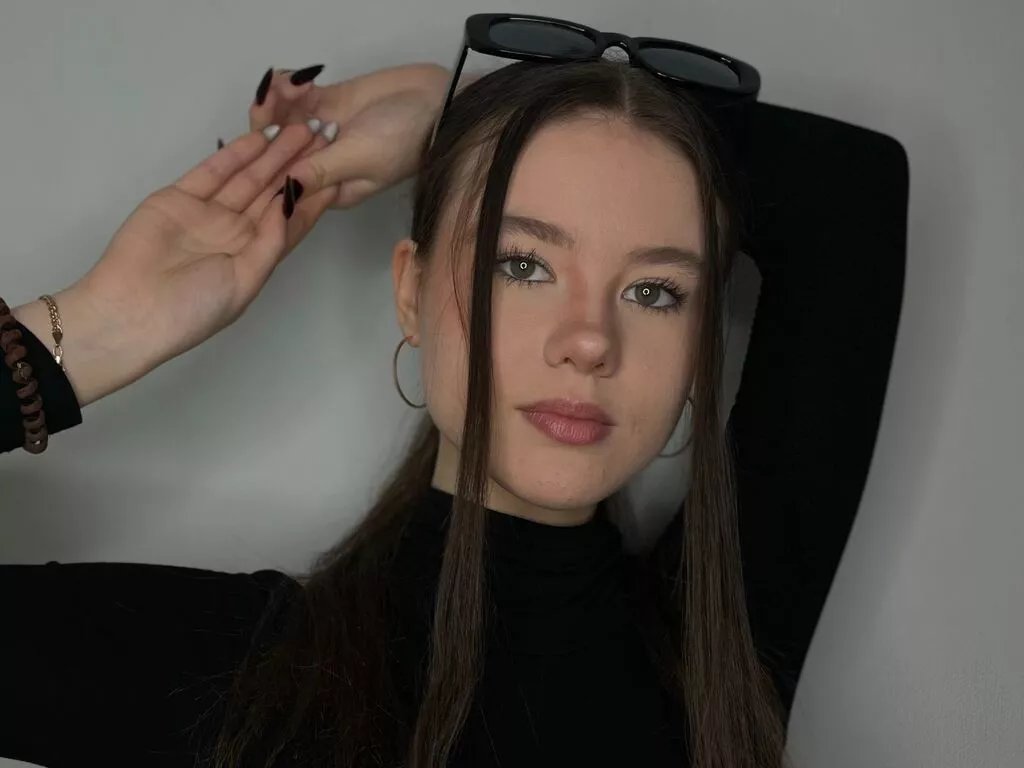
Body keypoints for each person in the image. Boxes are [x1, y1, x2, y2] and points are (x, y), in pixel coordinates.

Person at [0, 54, 906, 768]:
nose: (590, 341)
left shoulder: (717, 647)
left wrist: (473, 110)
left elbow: (852, 196)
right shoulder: (242, 675)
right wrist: (93, 332)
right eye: (523, 265)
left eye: (655, 291)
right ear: (411, 293)